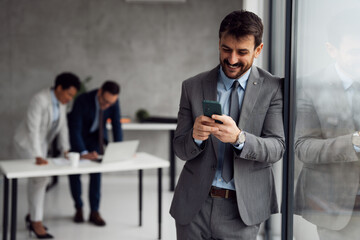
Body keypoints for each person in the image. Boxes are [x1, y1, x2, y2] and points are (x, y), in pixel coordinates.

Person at [170, 10, 285, 240]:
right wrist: (195, 137)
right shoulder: (192, 86)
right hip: (194, 208)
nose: (232, 60)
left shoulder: (273, 88)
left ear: (258, 50)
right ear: (219, 43)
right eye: (226, 49)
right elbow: (180, 149)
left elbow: (276, 148)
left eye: (242, 52)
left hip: (242, 212)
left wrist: (239, 138)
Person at [294, 10, 360, 240]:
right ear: (332, 49)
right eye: (354, 51)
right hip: (336, 210)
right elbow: (303, 147)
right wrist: (353, 144)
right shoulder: (309, 87)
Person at [13, 72, 80, 239]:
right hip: (27, 142)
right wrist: (37, 154)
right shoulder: (39, 99)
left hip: (40, 144)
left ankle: (33, 217)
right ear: (59, 88)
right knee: (40, 179)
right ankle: (36, 222)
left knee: (40, 180)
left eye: (73, 95)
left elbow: (63, 128)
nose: (70, 98)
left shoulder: (61, 102)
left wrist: (66, 150)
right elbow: (32, 129)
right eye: (69, 94)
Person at [67, 81, 123, 226]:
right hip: (79, 138)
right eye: (105, 102)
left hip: (95, 139)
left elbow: (117, 125)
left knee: (96, 174)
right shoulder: (82, 100)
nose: (106, 106)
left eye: (110, 103)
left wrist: (120, 149)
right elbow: (75, 128)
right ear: (99, 92)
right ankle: (78, 207)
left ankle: (94, 212)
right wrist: (83, 153)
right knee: (74, 173)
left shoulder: (113, 101)